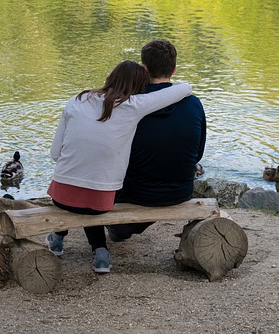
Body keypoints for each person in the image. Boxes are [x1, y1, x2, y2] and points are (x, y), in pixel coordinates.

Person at [46, 60, 193, 274]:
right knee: (91, 202)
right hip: (101, 199)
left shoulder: (78, 99)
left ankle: (58, 238)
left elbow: (54, 154)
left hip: (62, 194)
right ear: (138, 88)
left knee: (78, 190)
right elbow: (185, 88)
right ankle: (100, 253)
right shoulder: (134, 105)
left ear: (111, 77)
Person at [107, 40, 206, 242]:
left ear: (143, 68)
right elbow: (198, 154)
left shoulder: (131, 103)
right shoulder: (194, 103)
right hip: (180, 191)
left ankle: (121, 227)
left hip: (137, 192)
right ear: (174, 69)